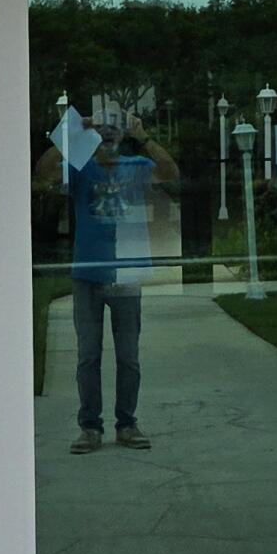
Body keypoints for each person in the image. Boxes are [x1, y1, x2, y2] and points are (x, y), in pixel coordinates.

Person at [41, 108, 178, 454]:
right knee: (88, 355)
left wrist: (142, 134)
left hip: (126, 273)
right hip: (87, 274)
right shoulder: (80, 168)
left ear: (123, 135)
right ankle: (90, 427)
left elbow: (170, 172)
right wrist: (74, 129)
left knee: (128, 356)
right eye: (102, 130)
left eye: (114, 129)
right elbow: (43, 171)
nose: (107, 135)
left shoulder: (137, 166)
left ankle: (127, 424)